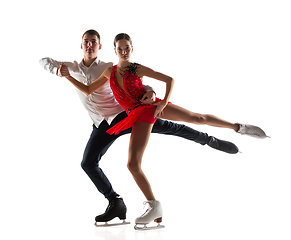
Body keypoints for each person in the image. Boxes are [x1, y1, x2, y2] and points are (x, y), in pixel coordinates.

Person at [57, 32, 268, 229]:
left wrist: (162, 102)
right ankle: (153, 204)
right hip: (136, 115)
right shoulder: (108, 71)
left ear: (132, 49)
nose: (124, 52)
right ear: (114, 50)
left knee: (197, 117)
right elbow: (86, 90)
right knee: (132, 163)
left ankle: (238, 127)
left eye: (127, 48)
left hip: (151, 107)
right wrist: (66, 76)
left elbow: (169, 80)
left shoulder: (136, 68)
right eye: (120, 49)